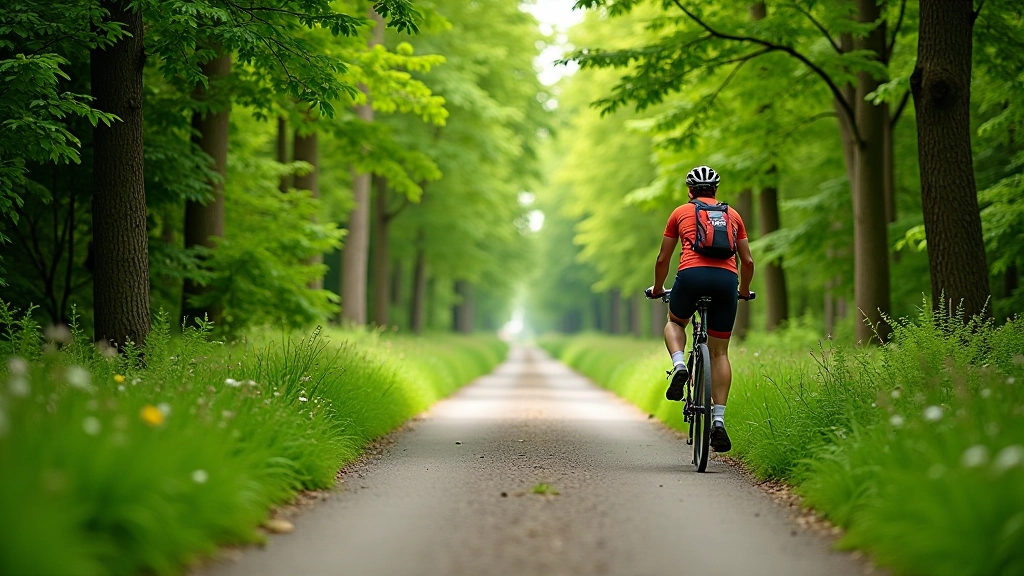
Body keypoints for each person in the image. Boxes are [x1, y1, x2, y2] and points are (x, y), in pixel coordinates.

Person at [648, 165, 755, 453]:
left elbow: (663, 258)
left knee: (676, 322)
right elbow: (748, 262)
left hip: (691, 277)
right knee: (720, 352)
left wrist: (658, 289)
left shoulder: (680, 214)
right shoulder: (733, 215)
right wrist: (743, 291)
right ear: (715, 191)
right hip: (725, 282)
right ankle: (718, 421)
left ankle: (680, 363)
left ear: (690, 191)